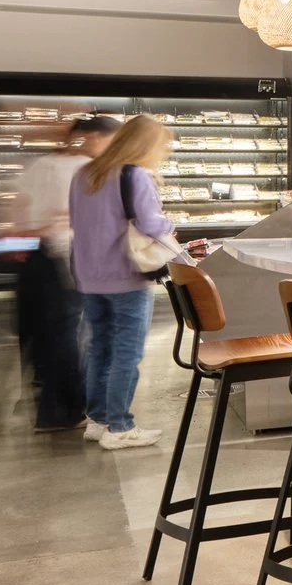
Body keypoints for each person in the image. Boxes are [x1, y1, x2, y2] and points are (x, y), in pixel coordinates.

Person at [69, 115, 208, 449]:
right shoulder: (135, 175)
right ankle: (120, 427)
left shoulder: (83, 173)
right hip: (127, 276)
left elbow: (77, 222)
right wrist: (168, 229)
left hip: (89, 275)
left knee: (99, 348)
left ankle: (98, 419)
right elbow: (150, 223)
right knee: (126, 353)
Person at [15, 115, 113, 433]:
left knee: (50, 334)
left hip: (39, 256)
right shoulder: (85, 171)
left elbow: (20, 212)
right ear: (94, 137)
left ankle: (51, 405)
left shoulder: (41, 165)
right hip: (70, 257)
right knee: (70, 336)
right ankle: (63, 411)